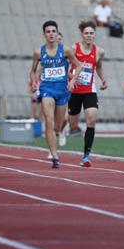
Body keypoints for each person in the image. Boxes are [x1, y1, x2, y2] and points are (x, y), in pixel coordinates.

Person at [30, 20, 82, 168]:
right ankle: (55, 155)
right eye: (48, 31)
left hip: (62, 90)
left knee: (57, 127)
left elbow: (78, 66)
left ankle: (59, 133)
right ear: (44, 35)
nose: (51, 34)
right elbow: (33, 71)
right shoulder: (38, 52)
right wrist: (34, 82)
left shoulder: (65, 50)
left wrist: (72, 82)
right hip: (47, 89)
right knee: (49, 121)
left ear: (57, 33)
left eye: (54, 31)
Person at [67, 20, 107, 167]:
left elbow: (99, 67)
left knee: (91, 119)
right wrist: (71, 79)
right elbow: (65, 66)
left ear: (94, 35)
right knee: (73, 125)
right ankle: (69, 126)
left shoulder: (99, 51)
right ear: (82, 35)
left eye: (91, 33)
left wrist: (103, 79)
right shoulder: (73, 48)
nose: (89, 36)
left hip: (89, 90)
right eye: (86, 33)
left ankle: (86, 156)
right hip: (74, 91)